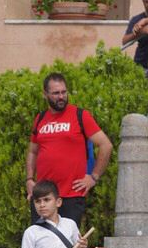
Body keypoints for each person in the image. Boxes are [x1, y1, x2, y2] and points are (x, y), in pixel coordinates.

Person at [26, 72, 114, 227]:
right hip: (44, 197)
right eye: (55, 93)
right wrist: (29, 179)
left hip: (71, 196)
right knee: (42, 245)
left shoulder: (80, 115)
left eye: (63, 92)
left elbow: (106, 145)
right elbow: (32, 151)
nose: (61, 97)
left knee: (68, 245)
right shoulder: (40, 118)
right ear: (45, 94)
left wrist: (93, 177)